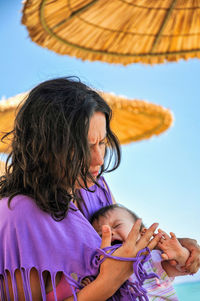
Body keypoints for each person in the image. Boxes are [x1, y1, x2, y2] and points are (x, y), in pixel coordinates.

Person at [0, 78, 199, 301]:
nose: (99, 159)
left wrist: (173, 249)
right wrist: (108, 281)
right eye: (83, 147)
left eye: (102, 143)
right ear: (44, 147)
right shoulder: (16, 217)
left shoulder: (95, 188)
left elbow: (124, 251)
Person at [85, 204, 191, 300]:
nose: (109, 233)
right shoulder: (102, 270)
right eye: (101, 234)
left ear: (142, 232)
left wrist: (180, 255)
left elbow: (183, 267)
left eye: (117, 226)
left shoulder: (152, 259)